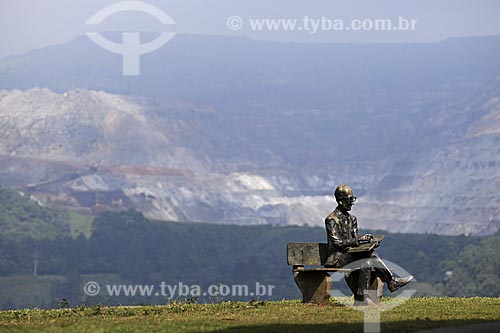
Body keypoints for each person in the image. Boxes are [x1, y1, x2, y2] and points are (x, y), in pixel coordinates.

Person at [324, 184, 414, 303]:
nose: (352, 202)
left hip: (351, 255)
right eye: (349, 199)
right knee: (367, 260)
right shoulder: (331, 220)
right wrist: (358, 240)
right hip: (337, 258)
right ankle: (389, 283)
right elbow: (338, 244)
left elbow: (354, 240)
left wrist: (368, 244)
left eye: (353, 199)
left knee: (368, 256)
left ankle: (366, 296)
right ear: (340, 201)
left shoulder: (353, 219)